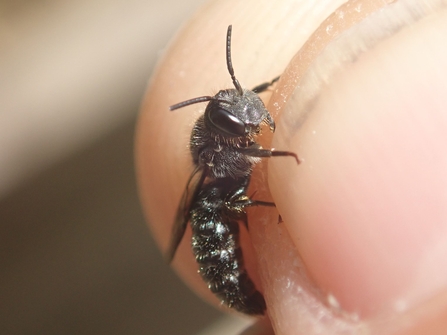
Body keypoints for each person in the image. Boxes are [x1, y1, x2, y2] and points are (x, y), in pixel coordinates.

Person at [135, 0, 447, 333]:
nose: (250, 114)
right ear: (222, 135)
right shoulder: (216, 157)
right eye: (235, 118)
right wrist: (282, 158)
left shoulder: (231, 133)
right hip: (221, 247)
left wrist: (275, 83)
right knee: (218, 207)